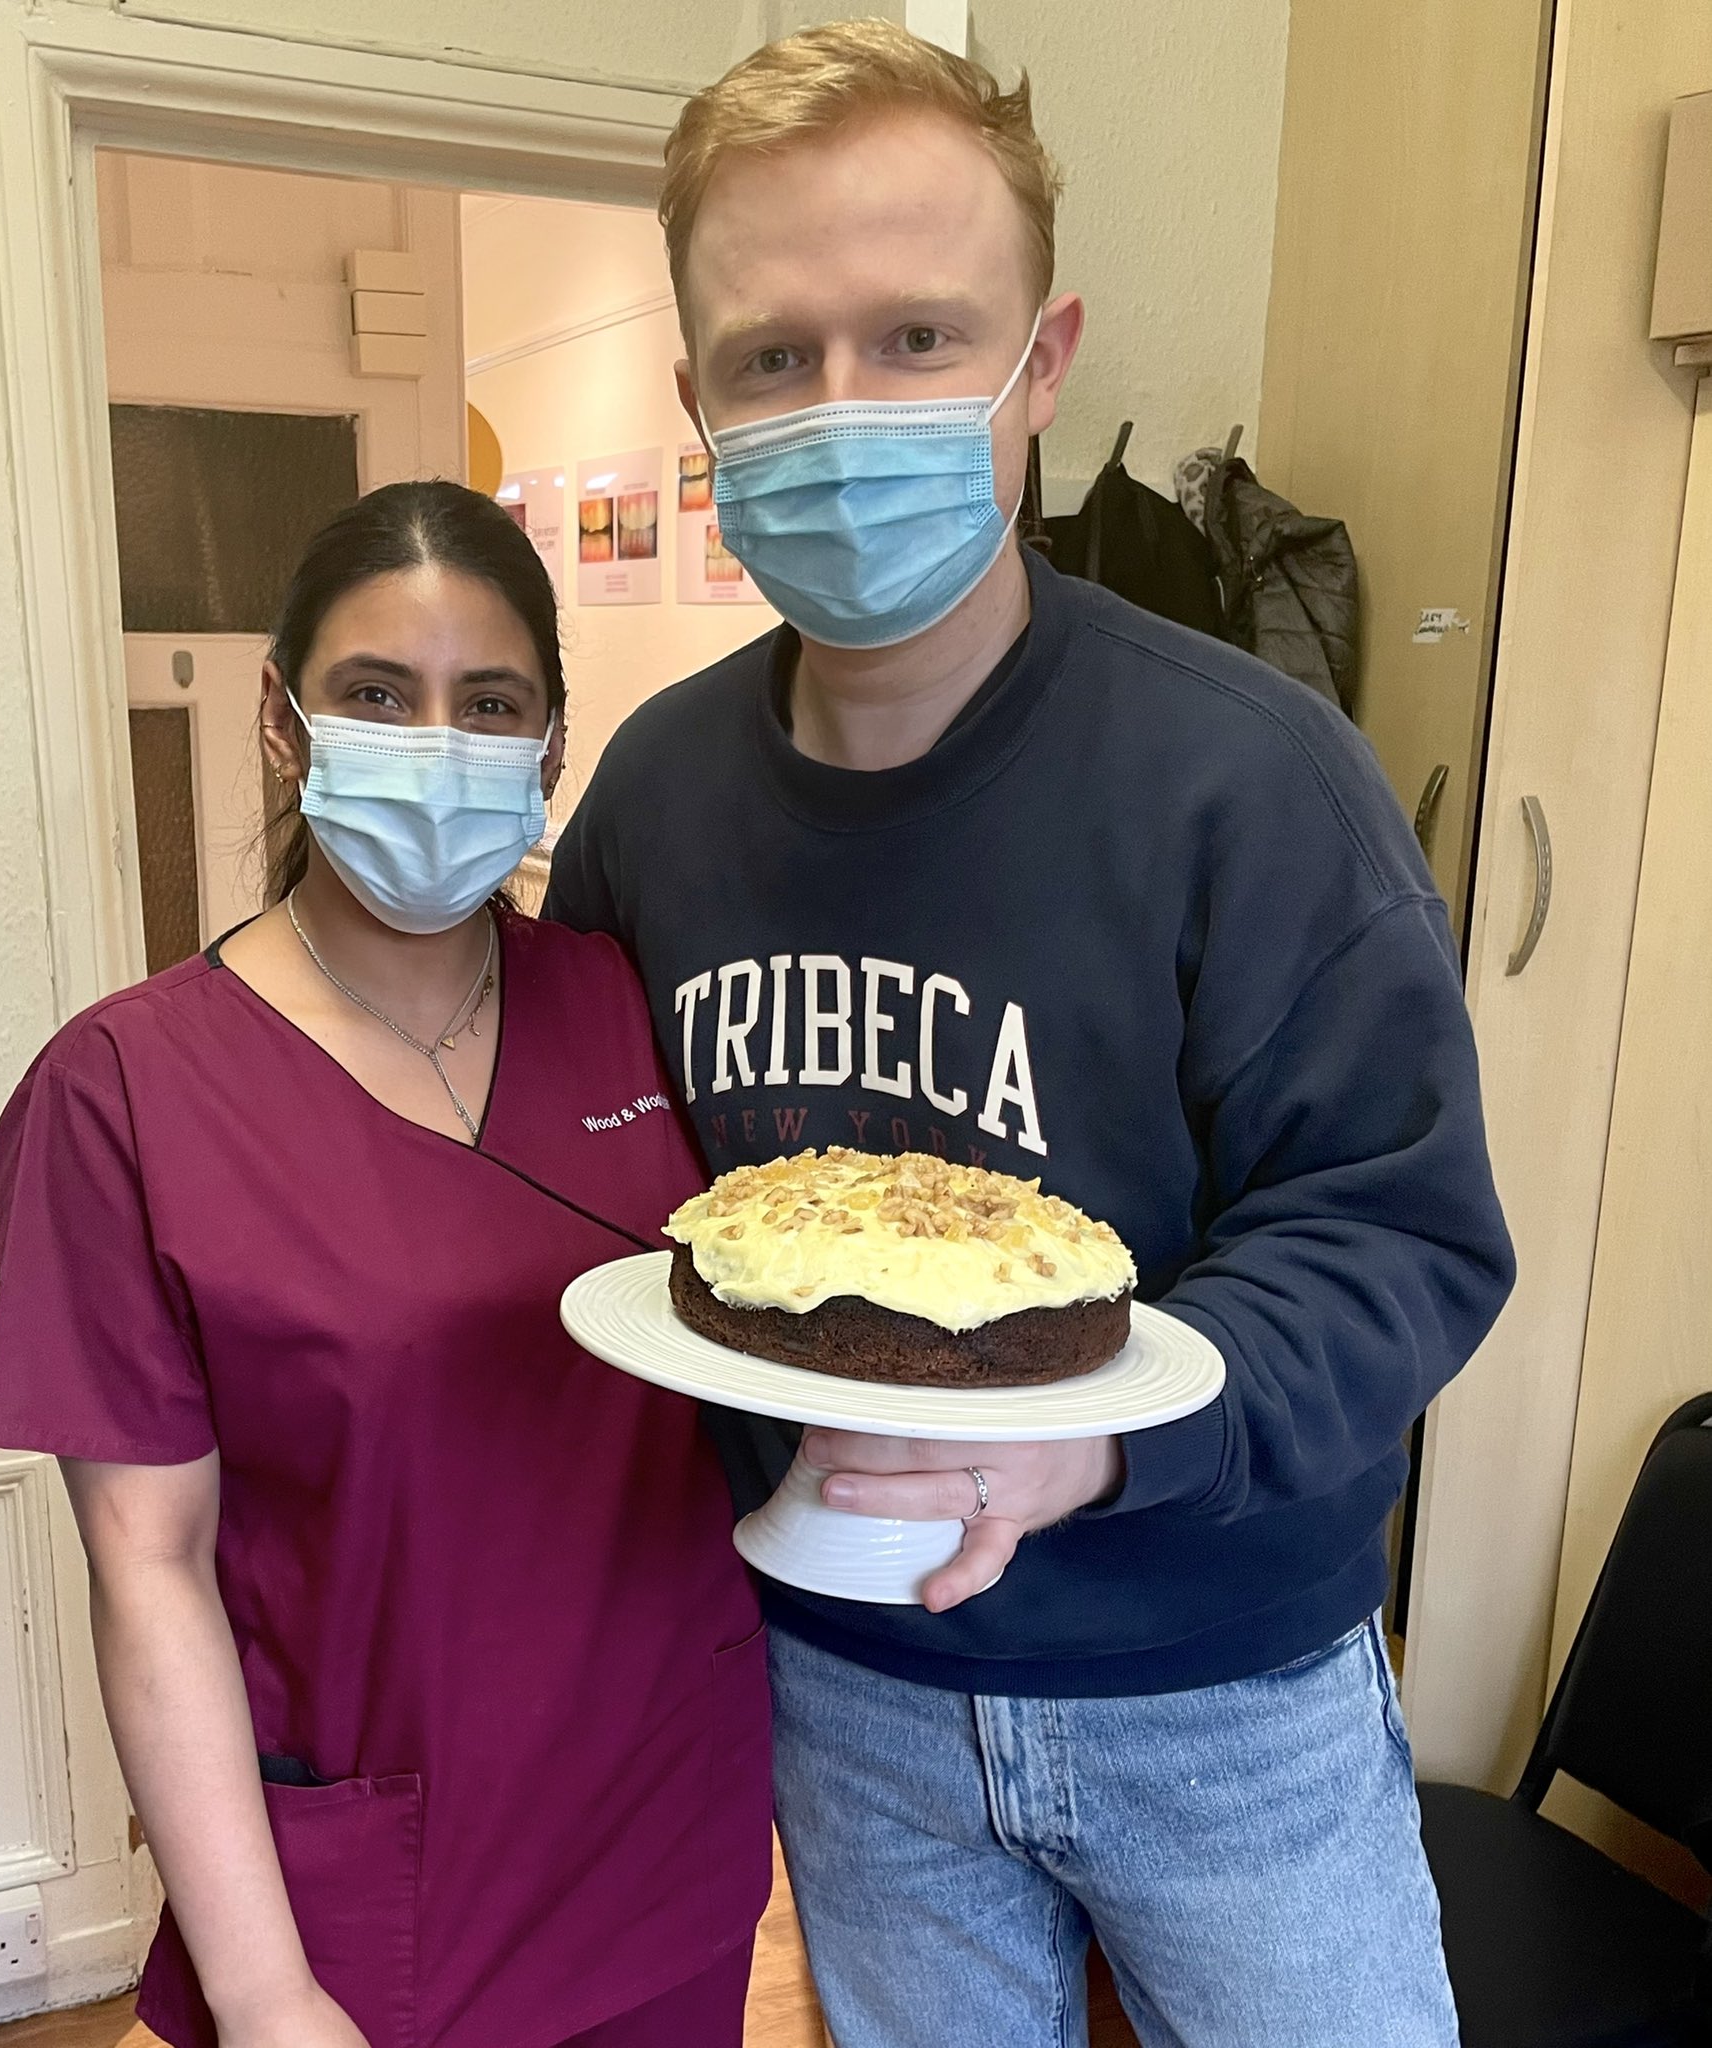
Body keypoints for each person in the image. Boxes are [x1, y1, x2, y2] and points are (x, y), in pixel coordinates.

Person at [543, 23, 1515, 2048]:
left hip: (1219, 1683)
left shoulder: (1249, 784)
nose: (840, 408)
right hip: (846, 1677)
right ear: (695, 397)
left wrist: (1109, 1433)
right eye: (771, 356)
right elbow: (617, 1200)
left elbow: (1402, 1239)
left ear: (1042, 359)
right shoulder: (648, 802)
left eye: (916, 337)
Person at [0, 482, 772, 2048]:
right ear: (284, 722)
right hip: (367, 1896)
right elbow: (150, 1573)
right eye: (374, 696)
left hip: (664, 1839)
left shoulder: (627, 1004)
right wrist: (265, 1990)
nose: (437, 744)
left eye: (489, 705)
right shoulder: (124, 1093)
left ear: (550, 748)